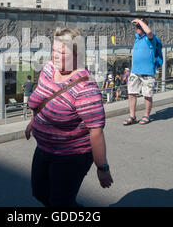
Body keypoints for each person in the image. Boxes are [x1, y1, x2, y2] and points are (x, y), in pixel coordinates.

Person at [25, 27, 113, 207]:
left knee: (60, 203)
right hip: (44, 147)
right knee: (40, 193)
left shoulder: (85, 88)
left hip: (72, 155)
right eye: (54, 50)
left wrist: (102, 168)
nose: (55, 55)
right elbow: (41, 97)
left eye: (61, 52)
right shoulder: (49, 69)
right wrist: (33, 122)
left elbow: (96, 131)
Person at [123, 18, 159, 126]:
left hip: (147, 72)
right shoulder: (137, 38)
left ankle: (146, 115)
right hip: (135, 71)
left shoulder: (150, 38)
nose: (137, 28)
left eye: (139, 26)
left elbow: (148, 32)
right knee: (131, 93)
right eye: (136, 26)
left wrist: (139, 20)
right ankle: (132, 116)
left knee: (147, 95)